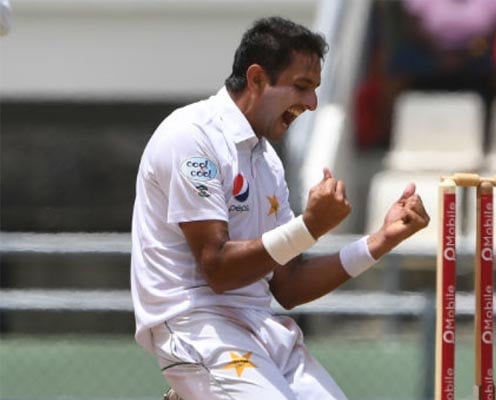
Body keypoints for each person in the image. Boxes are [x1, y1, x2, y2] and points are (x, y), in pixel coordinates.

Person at [130, 17, 430, 400]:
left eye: (315, 89)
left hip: (261, 329)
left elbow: (288, 285)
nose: (312, 103)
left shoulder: (266, 160)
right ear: (256, 79)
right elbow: (217, 268)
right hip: (197, 326)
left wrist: (381, 240)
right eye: (301, 87)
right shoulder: (191, 137)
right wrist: (310, 226)